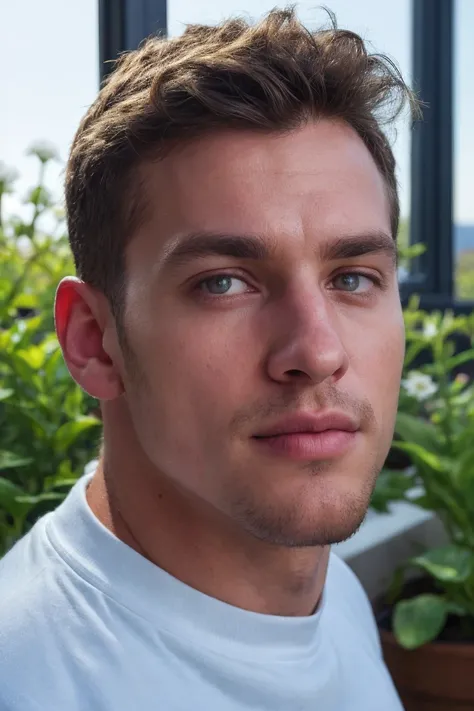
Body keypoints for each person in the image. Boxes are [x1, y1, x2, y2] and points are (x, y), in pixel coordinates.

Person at [0, 7, 417, 710]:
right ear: (94, 341)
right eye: (223, 282)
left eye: (352, 276)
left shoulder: (334, 598)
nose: (317, 352)